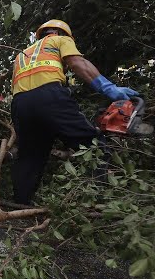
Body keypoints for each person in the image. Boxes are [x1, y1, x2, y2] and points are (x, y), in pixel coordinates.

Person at [10, 19, 139, 205]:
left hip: (20, 104)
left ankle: (19, 206)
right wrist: (109, 88)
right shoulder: (59, 40)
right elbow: (78, 64)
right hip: (50, 97)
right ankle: (98, 202)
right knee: (92, 144)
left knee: (31, 156)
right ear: (61, 33)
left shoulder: (22, 55)